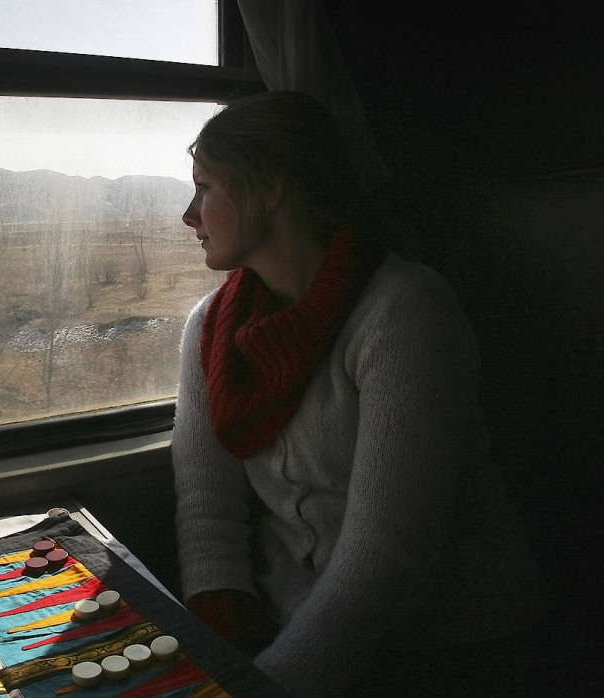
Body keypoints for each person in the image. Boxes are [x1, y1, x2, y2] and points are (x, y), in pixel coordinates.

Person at [171, 90, 546, 696]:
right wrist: (230, 645)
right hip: (292, 634)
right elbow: (206, 505)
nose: (190, 215)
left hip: (452, 644)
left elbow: (385, 559)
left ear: (271, 189)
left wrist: (267, 685)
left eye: (205, 188)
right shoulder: (210, 329)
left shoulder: (403, 312)